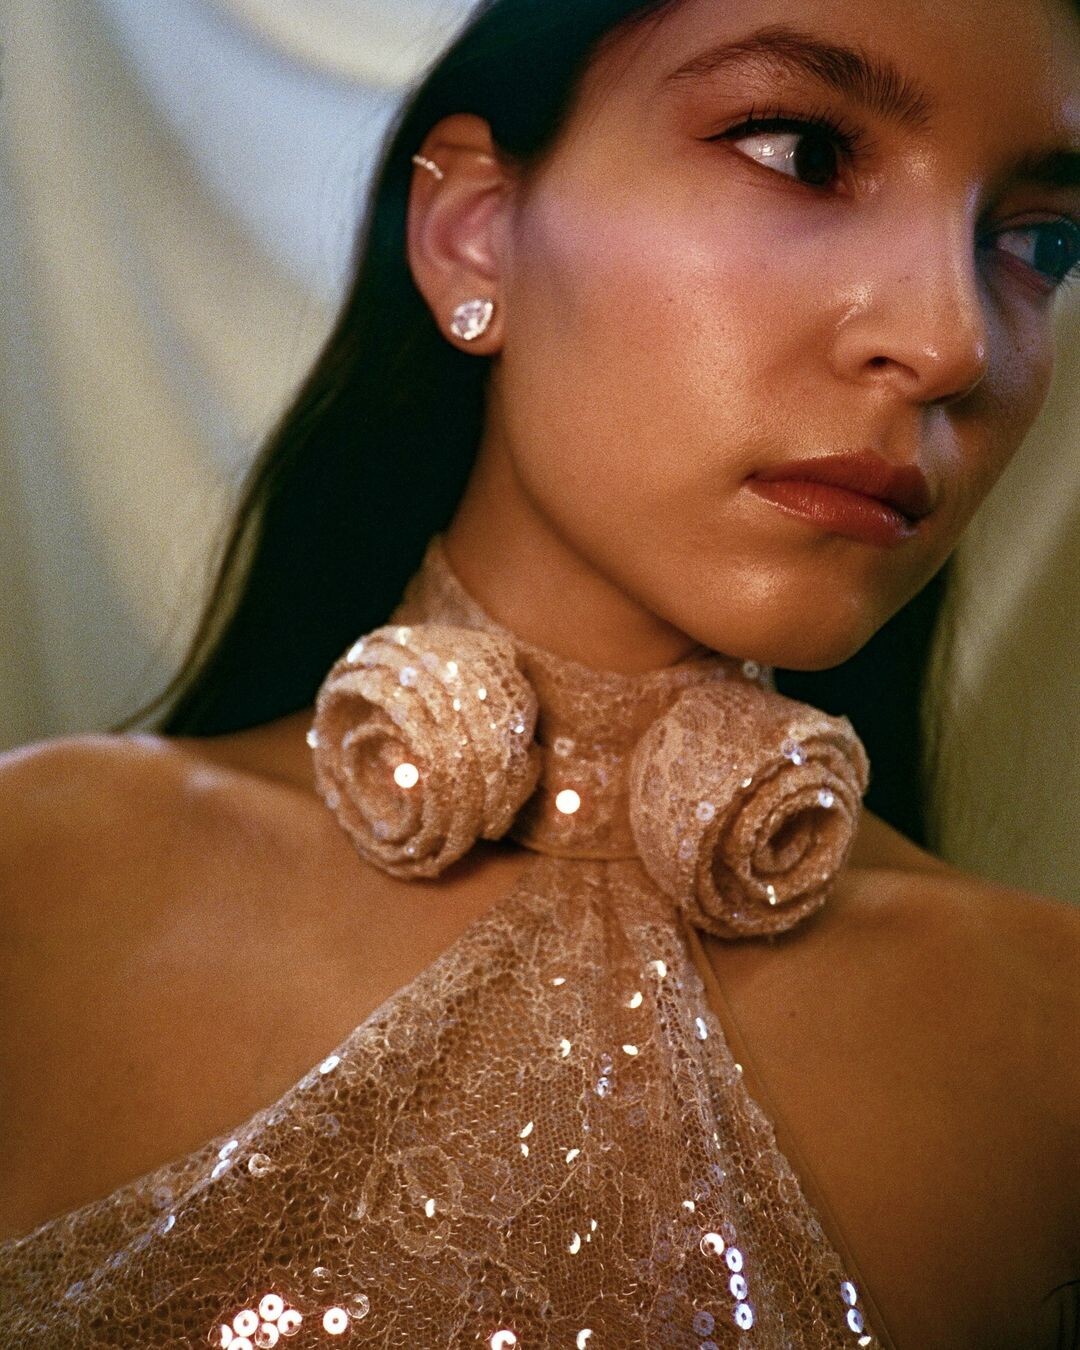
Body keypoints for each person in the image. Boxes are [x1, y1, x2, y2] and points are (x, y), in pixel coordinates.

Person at [1, 0, 1078, 1345]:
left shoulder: (1050, 1050)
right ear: (476, 231)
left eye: (1040, 242)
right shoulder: (41, 883)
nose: (953, 341)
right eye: (803, 153)